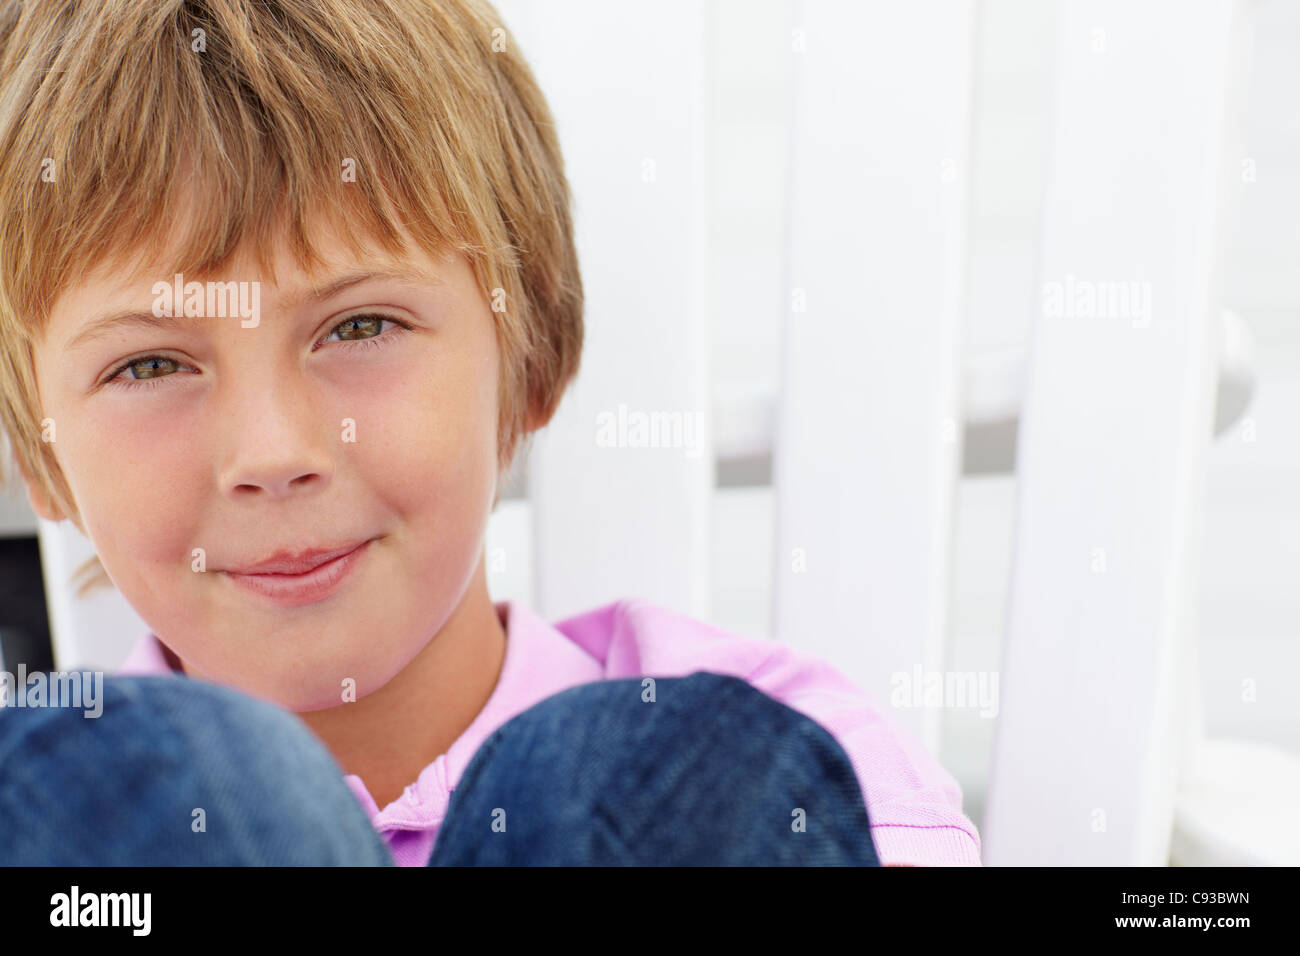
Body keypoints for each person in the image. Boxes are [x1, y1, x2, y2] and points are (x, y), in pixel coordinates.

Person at [0, 0, 980, 866]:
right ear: (40, 448)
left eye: (360, 326)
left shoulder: (765, 756)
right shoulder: (54, 811)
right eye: (151, 365)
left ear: (529, 359)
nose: (273, 453)